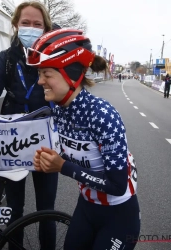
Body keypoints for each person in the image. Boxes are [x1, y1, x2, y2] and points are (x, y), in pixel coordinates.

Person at [25, 28, 140, 250]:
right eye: (39, 74)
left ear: (71, 74)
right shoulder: (58, 110)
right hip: (86, 207)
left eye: (46, 74)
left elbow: (117, 185)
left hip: (118, 215)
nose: (40, 81)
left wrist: (63, 166)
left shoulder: (102, 115)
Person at [0, 1, 59, 249]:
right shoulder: (6, 60)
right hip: (12, 146)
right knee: (14, 210)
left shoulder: (54, 60)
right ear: (15, 25)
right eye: (25, 23)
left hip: (45, 145)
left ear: (45, 29)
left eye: (37, 24)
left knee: (46, 211)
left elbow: (70, 102)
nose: (31, 29)